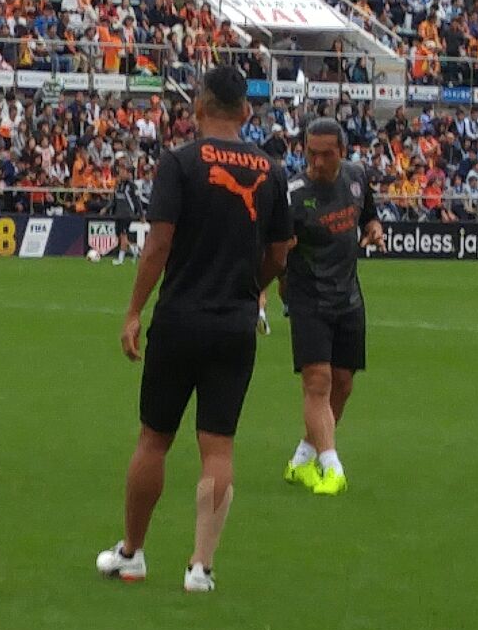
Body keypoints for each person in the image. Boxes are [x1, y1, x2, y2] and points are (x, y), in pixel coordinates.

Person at [98, 66, 290, 593]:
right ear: (246, 111)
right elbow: (280, 255)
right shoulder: (272, 171)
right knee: (218, 447)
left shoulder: (180, 162)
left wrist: (134, 310)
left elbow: (159, 244)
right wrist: (252, 287)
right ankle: (201, 567)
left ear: (199, 108)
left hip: (180, 317)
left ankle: (133, 553)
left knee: (154, 439)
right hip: (235, 324)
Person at [277, 118, 383, 496]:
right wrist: (276, 276)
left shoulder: (357, 177)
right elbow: (272, 248)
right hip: (308, 299)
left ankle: (302, 459)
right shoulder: (292, 194)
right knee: (317, 382)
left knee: (343, 384)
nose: (317, 162)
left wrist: (374, 227)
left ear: (342, 151)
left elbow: (369, 215)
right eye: (311, 154)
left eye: (326, 155)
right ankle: (331, 466)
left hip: (348, 296)